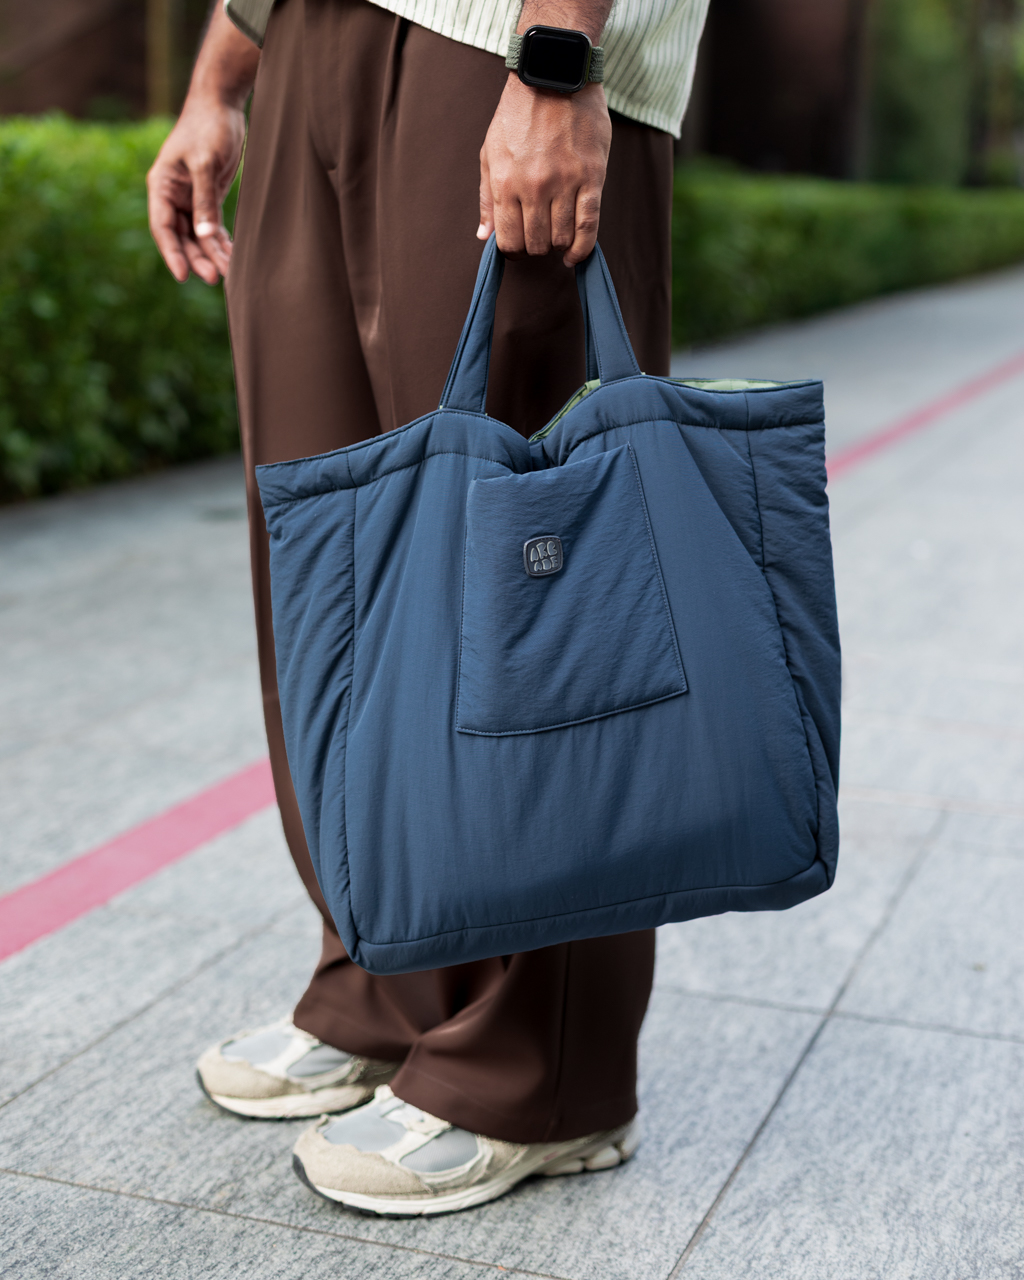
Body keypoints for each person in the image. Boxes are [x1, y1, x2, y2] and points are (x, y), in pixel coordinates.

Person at [147, 0, 708, 1216]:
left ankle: (541, 1064)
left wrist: (559, 61)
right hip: (310, 37)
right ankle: (390, 977)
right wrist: (224, 72)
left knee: (525, 560)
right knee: (333, 555)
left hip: (503, 41)